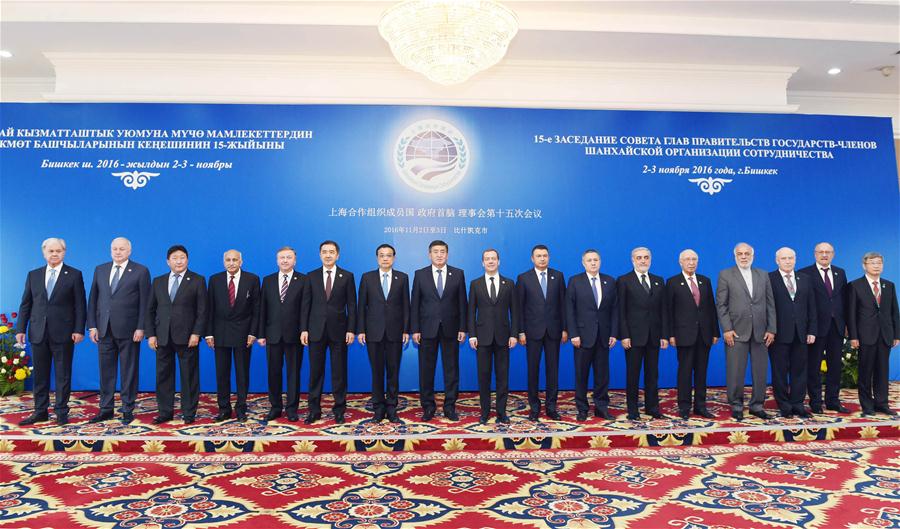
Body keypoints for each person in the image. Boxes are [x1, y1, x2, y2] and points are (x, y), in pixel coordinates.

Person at [16, 237, 86, 426]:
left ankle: (62, 412)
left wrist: (79, 329)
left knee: (63, 374)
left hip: (64, 333)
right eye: (51, 251)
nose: (54, 254)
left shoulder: (74, 274)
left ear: (64, 252)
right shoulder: (34, 275)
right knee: (40, 375)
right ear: (44, 252)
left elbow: (80, 305)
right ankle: (40, 411)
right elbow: (26, 304)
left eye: (58, 251)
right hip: (38, 332)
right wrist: (20, 328)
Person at [86, 237, 151, 425]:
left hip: (130, 331)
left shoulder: (141, 271)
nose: (118, 252)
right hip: (104, 329)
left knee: (129, 371)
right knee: (106, 372)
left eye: (122, 249)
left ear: (129, 251)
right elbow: (93, 300)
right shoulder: (100, 269)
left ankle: (127, 409)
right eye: (114, 248)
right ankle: (105, 409)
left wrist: (141, 327)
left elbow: (145, 303)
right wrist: (92, 326)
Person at [146, 245, 207, 425]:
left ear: (187, 260)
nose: (178, 261)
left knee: (189, 377)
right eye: (175, 258)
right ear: (168, 261)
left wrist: (197, 333)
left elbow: (202, 311)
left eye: (182, 257)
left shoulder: (197, 280)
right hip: (162, 336)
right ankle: (165, 412)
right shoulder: (158, 281)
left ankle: (189, 413)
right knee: (163, 376)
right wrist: (151, 334)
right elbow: (150, 310)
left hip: (188, 337)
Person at [716, 242, 776, 421]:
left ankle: (757, 405)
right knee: (735, 371)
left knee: (760, 371)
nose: (744, 256)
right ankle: (736, 405)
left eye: (747, 254)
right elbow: (721, 304)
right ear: (735, 256)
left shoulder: (763, 275)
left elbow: (770, 304)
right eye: (740, 254)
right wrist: (726, 328)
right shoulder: (726, 274)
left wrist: (771, 329)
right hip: (736, 331)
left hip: (761, 332)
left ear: (753, 256)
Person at [410, 240, 467, 422]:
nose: (439, 255)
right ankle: (428, 407)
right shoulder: (420, 274)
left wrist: (463, 328)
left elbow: (462, 304)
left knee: (451, 370)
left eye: (443, 251)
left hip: (451, 328)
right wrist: (415, 329)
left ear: (447, 254)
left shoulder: (458, 274)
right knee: (426, 370)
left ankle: (450, 407)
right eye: (436, 252)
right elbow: (415, 304)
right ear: (429, 255)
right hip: (427, 329)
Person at [302, 240, 356, 424]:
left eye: (331, 252)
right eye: (324, 252)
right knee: (316, 372)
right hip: (315, 331)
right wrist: (304, 329)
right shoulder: (311, 276)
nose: (328, 255)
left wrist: (351, 329)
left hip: (339, 331)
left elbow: (352, 305)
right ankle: (314, 410)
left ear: (337, 255)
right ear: (320, 255)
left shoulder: (347, 276)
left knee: (339, 372)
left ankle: (339, 409)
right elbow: (305, 306)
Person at [357, 244, 409, 423]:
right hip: (373, 332)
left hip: (395, 332)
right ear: (377, 258)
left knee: (393, 371)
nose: (385, 258)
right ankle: (378, 407)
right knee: (377, 371)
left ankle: (392, 406)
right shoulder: (367, 278)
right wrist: (361, 330)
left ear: (394, 258)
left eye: (388, 256)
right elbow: (361, 306)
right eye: (381, 255)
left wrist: (406, 330)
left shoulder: (402, 278)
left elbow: (406, 306)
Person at [206, 250, 259, 423]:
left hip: (244, 334)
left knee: (242, 373)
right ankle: (224, 409)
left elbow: (256, 310)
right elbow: (209, 308)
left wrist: (253, 332)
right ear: (223, 262)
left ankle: (241, 408)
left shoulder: (252, 279)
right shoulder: (215, 280)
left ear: (241, 261)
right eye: (228, 260)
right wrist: (209, 334)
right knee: (222, 373)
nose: (231, 263)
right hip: (220, 332)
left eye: (235, 260)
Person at [565, 249, 618, 422]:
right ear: (583, 263)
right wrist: (573, 333)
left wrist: (614, 333)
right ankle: (582, 408)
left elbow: (614, 310)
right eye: (589, 260)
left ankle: (601, 407)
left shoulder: (609, 281)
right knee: (581, 375)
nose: (593, 263)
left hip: (604, 336)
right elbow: (569, 310)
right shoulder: (575, 281)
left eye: (596, 260)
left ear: (600, 262)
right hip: (582, 337)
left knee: (602, 375)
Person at [468, 249, 519, 425]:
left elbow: (515, 312)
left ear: (499, 261)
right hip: (482, 337)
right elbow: (471, 311)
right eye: (487, 259)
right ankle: (484, 412)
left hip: (504, 337)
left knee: (502, 376)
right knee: (484, 375)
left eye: (493, 259)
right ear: (482, 263)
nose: (490, 262)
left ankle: (501, 412)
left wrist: (514, 334)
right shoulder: (475, 284)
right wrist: (472, 335)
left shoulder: (509, 283)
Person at [666, 249, 719, 420]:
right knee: (685, 372)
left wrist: (715, 331)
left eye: (694, 259)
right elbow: (669, 310)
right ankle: (684, 407)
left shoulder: (705, 281)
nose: (691, 262)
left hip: (704, 334)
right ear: (680, 262)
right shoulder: (673, 282)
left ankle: (700, 406)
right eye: (687, 259)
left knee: (702, 372)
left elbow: (711, 308)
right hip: (683, 335)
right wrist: (671, 334)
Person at [617, 247, 669, 420]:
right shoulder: (624, 280)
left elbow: (663, 310)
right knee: (633, 374)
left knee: (652, 374)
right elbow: (621, 311)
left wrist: (664, 335)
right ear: (632, 260)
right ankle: (633, 410)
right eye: (639, 258)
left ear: (651, 260)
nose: (643, 261)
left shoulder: (658, 280)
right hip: (633, 337)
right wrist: (624, 335)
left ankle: (652, 408)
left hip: (654, 336)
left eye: (646, 257)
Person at [516, 244, 566, 421]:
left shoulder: (558, 276)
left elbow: (563, 305)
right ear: (532, 258)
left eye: (545, 255)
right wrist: (520, 331)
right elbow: (519, 308)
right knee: (533, 370)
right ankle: (534, 407)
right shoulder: (523, 278)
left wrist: (565, 329)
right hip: (532, 332)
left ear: (549, 257)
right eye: (538, 256)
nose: (542, 258)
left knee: (553, 370)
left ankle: (551, 407)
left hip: (554, 331)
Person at [258, 247, 309, 422]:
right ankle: (275, 407)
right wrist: (261, 333)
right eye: (282, 257)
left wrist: (304, 330)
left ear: (295, 260)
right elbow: (262, 309)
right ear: (277, 260)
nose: (285, 260)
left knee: (293, 372)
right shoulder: (268, 280)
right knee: (273, 372)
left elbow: (305, 308)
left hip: (295, 335)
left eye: (289, 257)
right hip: (272, 334)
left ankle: (292, 408)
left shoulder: (303, 280)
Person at [799, 242, 850, 413]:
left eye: (828, 252)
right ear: (815, 254)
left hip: (836, 326)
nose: (824, 255)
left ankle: (833, 401)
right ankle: (815, 402)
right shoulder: (805, 273)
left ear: (833, 254)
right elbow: (803, 303)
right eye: (820, 252)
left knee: (835, 365)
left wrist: (847, 325)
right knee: (813, 366)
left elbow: (844, 300)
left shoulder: (840, 272)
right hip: (815, 328)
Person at [847, 251, 900, 416]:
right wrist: (853, 336)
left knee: (882, 371)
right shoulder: (855, 285)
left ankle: (882, 403)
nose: (877, 266)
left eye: (879, 263)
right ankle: (867, 405)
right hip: (864, 336)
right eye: (873, 262)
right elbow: (851, 314)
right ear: (864, 266)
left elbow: (894, 312)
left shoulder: (889, 285)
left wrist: (896, 335)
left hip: (885, 335)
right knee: (865, 372)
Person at [768, 247, 817, 418]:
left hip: (801, 333)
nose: (788, 261)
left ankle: (798, 404)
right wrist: (770, 330)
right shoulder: (769, 279)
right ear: (777, 260)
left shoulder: (805, 279)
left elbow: (812, 306)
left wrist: (812, 330)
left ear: (795, 259)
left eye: (791, 258)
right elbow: (767, 308)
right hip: (778, 334)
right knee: (779, 371)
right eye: (784, 258)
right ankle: (784, 405)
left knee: (799, 371)